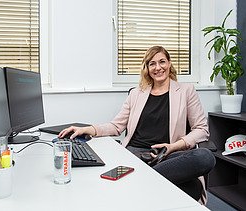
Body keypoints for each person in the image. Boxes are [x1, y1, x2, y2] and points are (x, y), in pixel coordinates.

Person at [59, 45, 216, 204]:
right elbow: (116, 126)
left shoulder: (186, 91)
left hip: (167, 156)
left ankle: (141, 180)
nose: (158, 67)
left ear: (169, 64)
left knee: (205, 157)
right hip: (135, 154)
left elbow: (201, 130)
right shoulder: (136, 93)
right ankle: (146, 182)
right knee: (191, 188)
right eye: (152, 64)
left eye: (162, 62)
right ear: (147, 68)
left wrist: (173, 146)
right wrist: (87, 129)